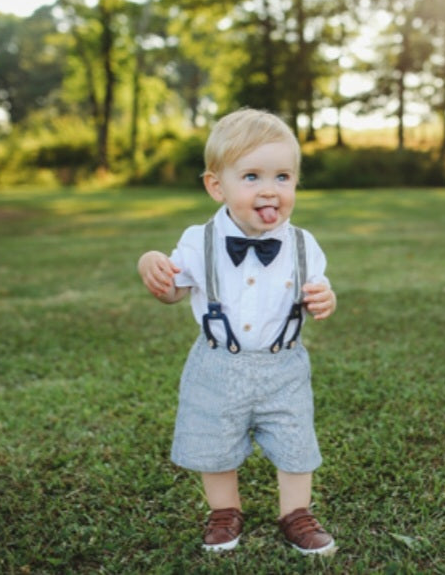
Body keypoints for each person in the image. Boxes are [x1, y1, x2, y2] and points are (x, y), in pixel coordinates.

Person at [137, 108, 338, 555]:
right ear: (216, 186)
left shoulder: (304, 244)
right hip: (217, 361)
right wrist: (152, 265)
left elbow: (318, 287)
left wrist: (326, 299)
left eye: (283, 177)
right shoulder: (198, 240)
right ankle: (224, 511)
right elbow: (173, 290)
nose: (270, 189)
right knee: (215, 436)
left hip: (283, 364)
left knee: (294, 437)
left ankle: (296, 512)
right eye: (251, 176)